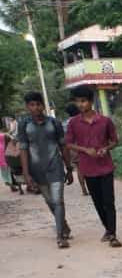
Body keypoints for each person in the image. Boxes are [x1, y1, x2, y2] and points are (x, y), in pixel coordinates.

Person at [16, 92, 75, 248]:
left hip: (56, 167)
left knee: (58, 201)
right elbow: (23, 149)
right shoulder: (24, 125)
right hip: (37, 170)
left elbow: (63, 146)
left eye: (38, 104)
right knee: (50, 201)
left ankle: (60, 236)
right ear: (27, 107)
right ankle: (64, 225)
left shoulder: (54, 123)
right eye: (32, 105)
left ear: (43, 105)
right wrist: (26, 173)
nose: (36, 107)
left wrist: (69, 168)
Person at [66, 86, 121, 247]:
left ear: (91, 101)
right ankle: (108, 229)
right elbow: (68, 143)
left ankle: (113, 234)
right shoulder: (73, 123)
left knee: (109, 201)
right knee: (98, 202)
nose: (80, 104)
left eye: (83, 101)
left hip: (106, 167)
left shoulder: (105, 121)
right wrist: (85, 150)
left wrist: (106, 148)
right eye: (77, 102)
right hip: (88, 168)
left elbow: (114, 141)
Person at [63, 102, 88, 197]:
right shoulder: (83, 119)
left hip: (73, 149)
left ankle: (84, 189)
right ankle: (92, 187)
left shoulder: (65, 123)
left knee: (79, 169)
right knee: (89, 166)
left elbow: (65, 140)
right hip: (85, 146)